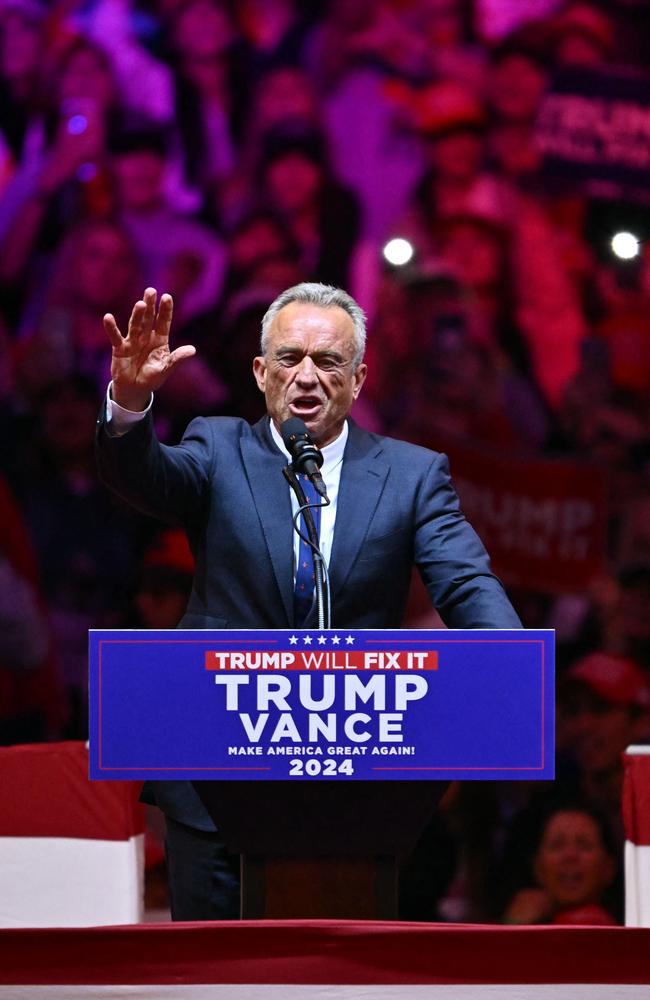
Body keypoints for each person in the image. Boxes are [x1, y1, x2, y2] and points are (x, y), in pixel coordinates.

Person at [96, 280, 522, 920]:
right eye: (290, 358)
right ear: (261, 372)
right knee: (215, 980)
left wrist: (509, 664)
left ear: (358, 379)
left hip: (352, 777)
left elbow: (464, 582)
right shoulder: (218, 448)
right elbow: (145, 477)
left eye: (328, 362)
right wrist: (130, 401)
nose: (306, 376)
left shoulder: (412, 474)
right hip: (214, 766)